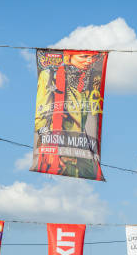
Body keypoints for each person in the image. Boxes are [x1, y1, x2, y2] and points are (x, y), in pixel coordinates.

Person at [33, 51, 104, 179]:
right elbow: (42, 111)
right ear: (68, 57)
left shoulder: (91, 80)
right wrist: (47, 143)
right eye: (84, 56)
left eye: (92, 57)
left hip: (83, 150)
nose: (89, 61)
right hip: (58, 148)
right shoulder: (50, 75)